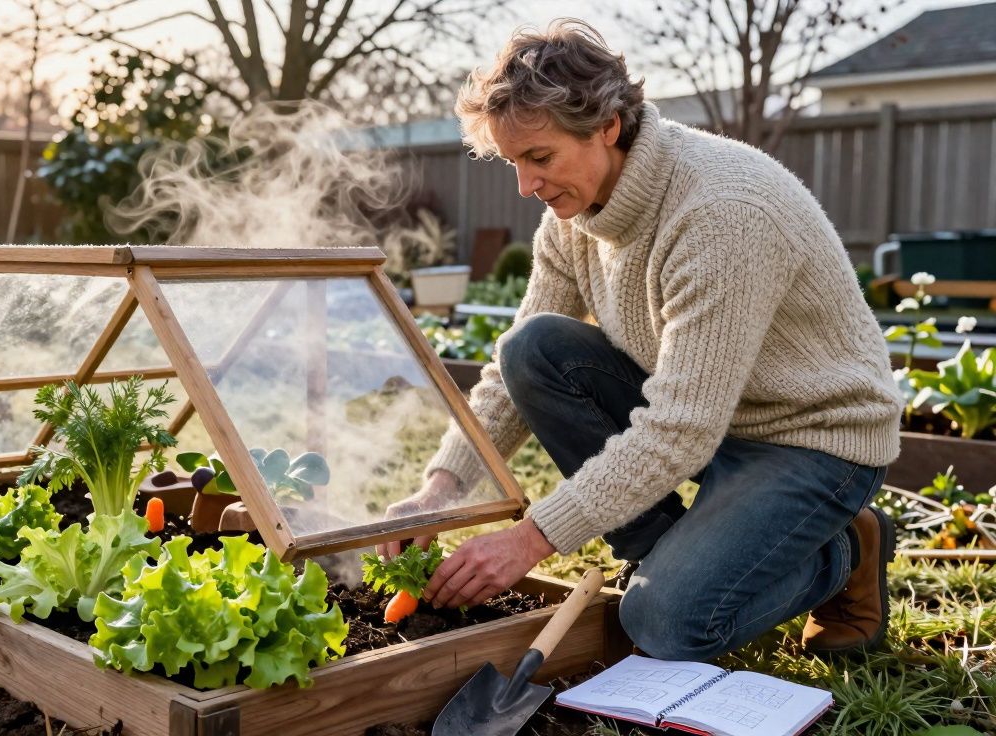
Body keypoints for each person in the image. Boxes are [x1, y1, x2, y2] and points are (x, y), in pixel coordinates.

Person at [379, 19, 903, 661]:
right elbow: (511, 380)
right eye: (514, 162)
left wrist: (532, 538)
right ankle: (671, 553)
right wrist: (441, 488)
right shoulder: (570, 222)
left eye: (539, 158)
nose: (526, 186)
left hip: (811, 438)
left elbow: (681, 427)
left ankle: (845, 551)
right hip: (709, 422)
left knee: (665, 624)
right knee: (533, 349)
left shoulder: (721, 214)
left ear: (607, 126)